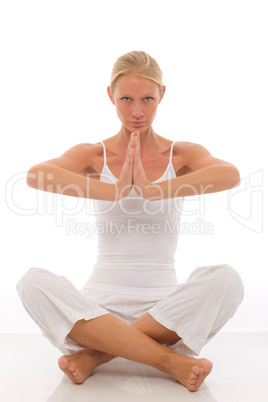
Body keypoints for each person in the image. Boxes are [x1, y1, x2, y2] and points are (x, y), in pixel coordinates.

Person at [17, 50, 244, 392]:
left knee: (227, 279)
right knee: (32, 281)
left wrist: (154, 191)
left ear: (161, 96)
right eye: (126, 99)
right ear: (110, 96)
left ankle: (95, 355)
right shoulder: (94, 154)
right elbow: (36, 176)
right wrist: (114, 191)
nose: (137, 111)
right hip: (96, 307)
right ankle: (169, 360)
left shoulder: (181, 154)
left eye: (147, 99)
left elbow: (230, 175)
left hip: (164, 308)